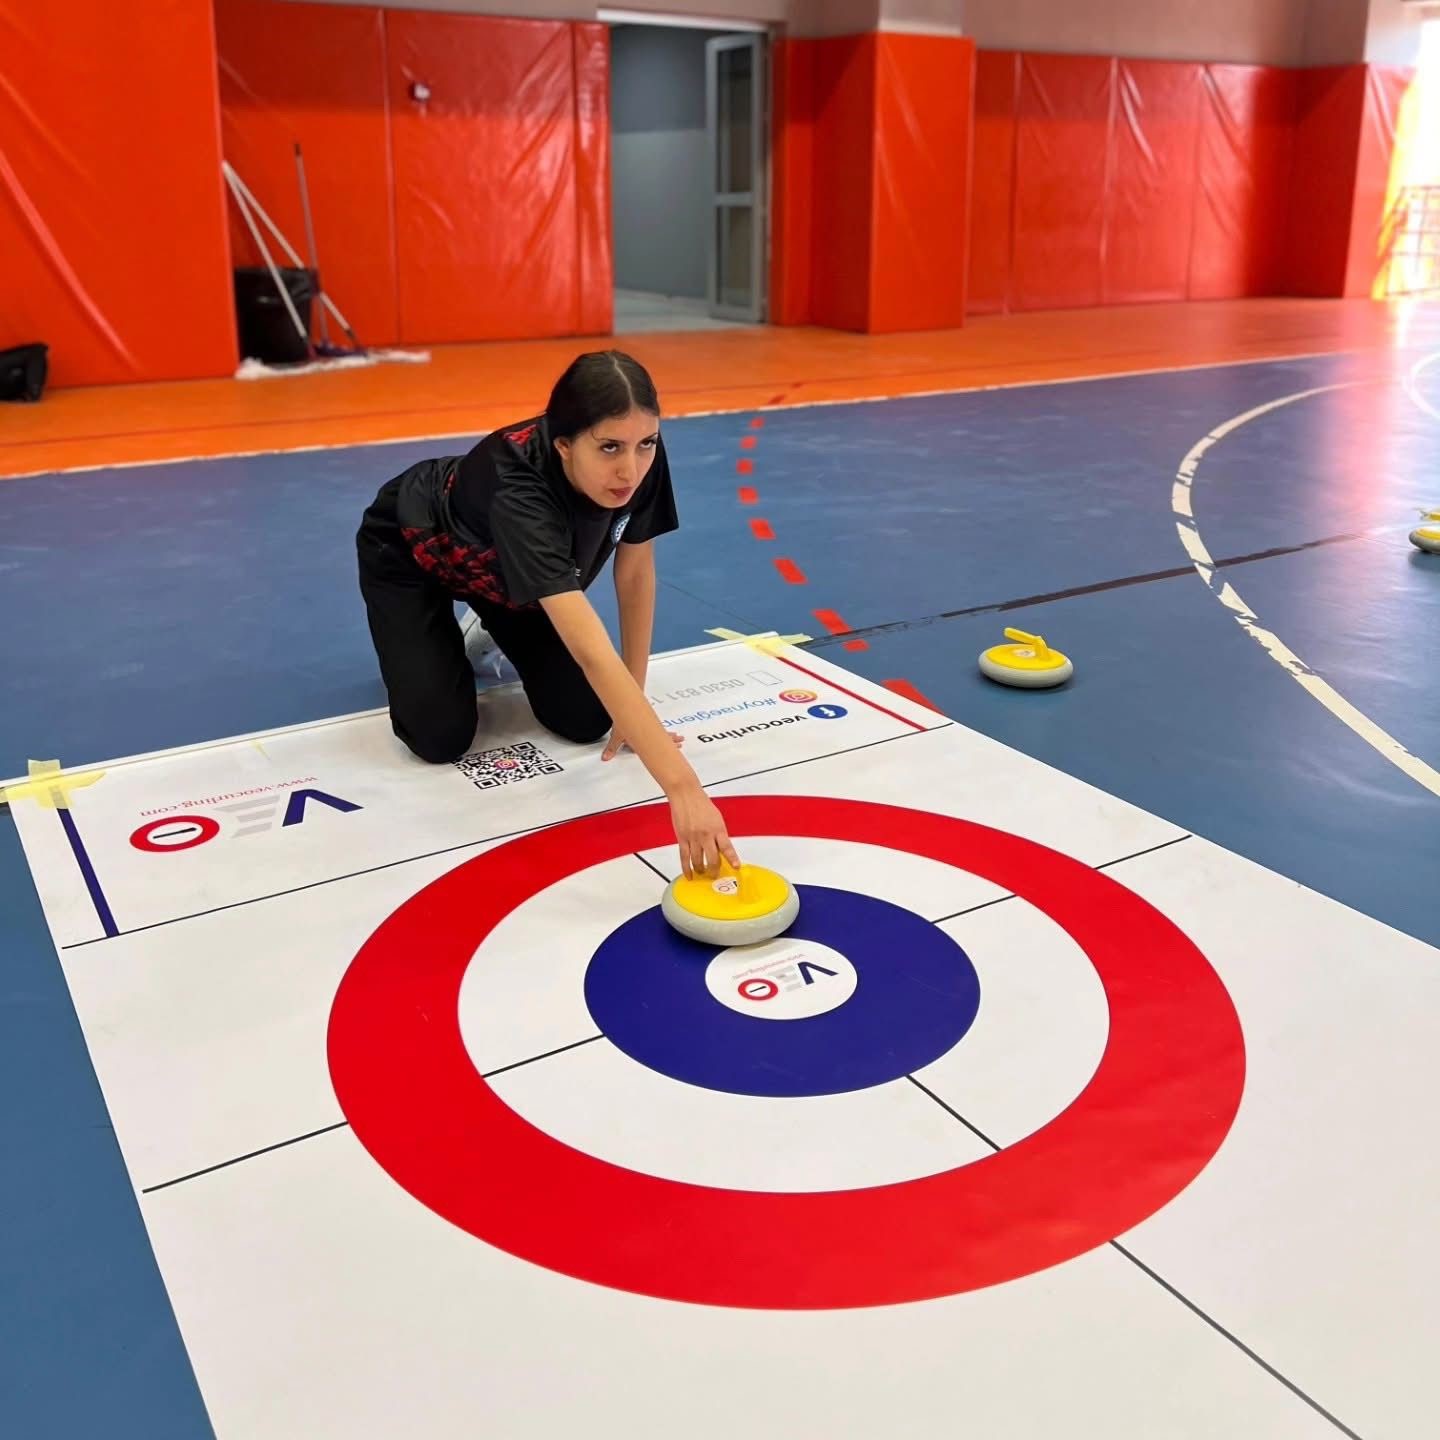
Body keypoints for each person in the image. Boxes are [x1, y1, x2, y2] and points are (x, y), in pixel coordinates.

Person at [355, 349, 739, 879]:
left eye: (644, 444)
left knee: (590, 719)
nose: (630, 469)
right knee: (438, 738)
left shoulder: (639, 451)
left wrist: (638, 702)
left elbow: (635, 572)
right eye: (609, 448)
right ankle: (441, 633)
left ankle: (494, 617)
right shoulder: (517, 487)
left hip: (511, 581)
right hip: (413, 552)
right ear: (563, 444)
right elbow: (588, 647)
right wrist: (684, 788)